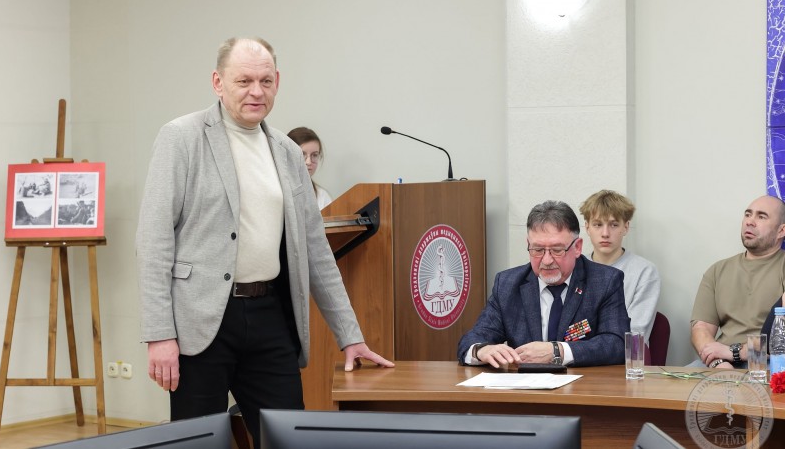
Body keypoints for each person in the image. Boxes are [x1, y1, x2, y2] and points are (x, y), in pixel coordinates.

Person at [135, 37, 393, 448]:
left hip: (270, 317)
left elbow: (315, 251)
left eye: (266, 81)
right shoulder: (181, 137)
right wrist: (159, 334)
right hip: (199, 323)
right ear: (218, 82)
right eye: (244, 81)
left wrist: (350, 334)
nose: (256, 91)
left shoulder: (287, 152)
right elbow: (154, 240)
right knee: (198, 444)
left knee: (289, 439)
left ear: (277, 82)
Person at [457, 200, 630, 368]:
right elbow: (471, 340)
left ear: (577, 247)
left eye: (557, 250)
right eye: (538, 250)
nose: (547, 260)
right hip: (525, 385)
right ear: (528, 245)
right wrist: (481, 350)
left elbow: (617, 343)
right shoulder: (508, 284)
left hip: (584, 385)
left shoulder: (605, 281)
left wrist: (558, 351)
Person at [690, 195, 785, 369]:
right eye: (748, 214)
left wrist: (735, 352)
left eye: (761, 216)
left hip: (771, 364)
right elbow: (701, 329)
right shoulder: (717, 270)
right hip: (721, 362)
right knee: (677, 380)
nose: (750, 221)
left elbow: (779, 340)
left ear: (781, 231)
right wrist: (718, 362)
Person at [579, 190, 660, 338]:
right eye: (597, 224)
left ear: (626, 227)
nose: (605, 233)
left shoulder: (645, 271)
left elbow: (635, 334)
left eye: (614, 225)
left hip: (622, 351)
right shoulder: (575, 267)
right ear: (587, 227)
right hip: (577, 351)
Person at [287, 126, 332, 209]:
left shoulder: (322, 196)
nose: (308, 162)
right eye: (302, 154)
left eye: (314, 155)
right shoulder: (276, 191)